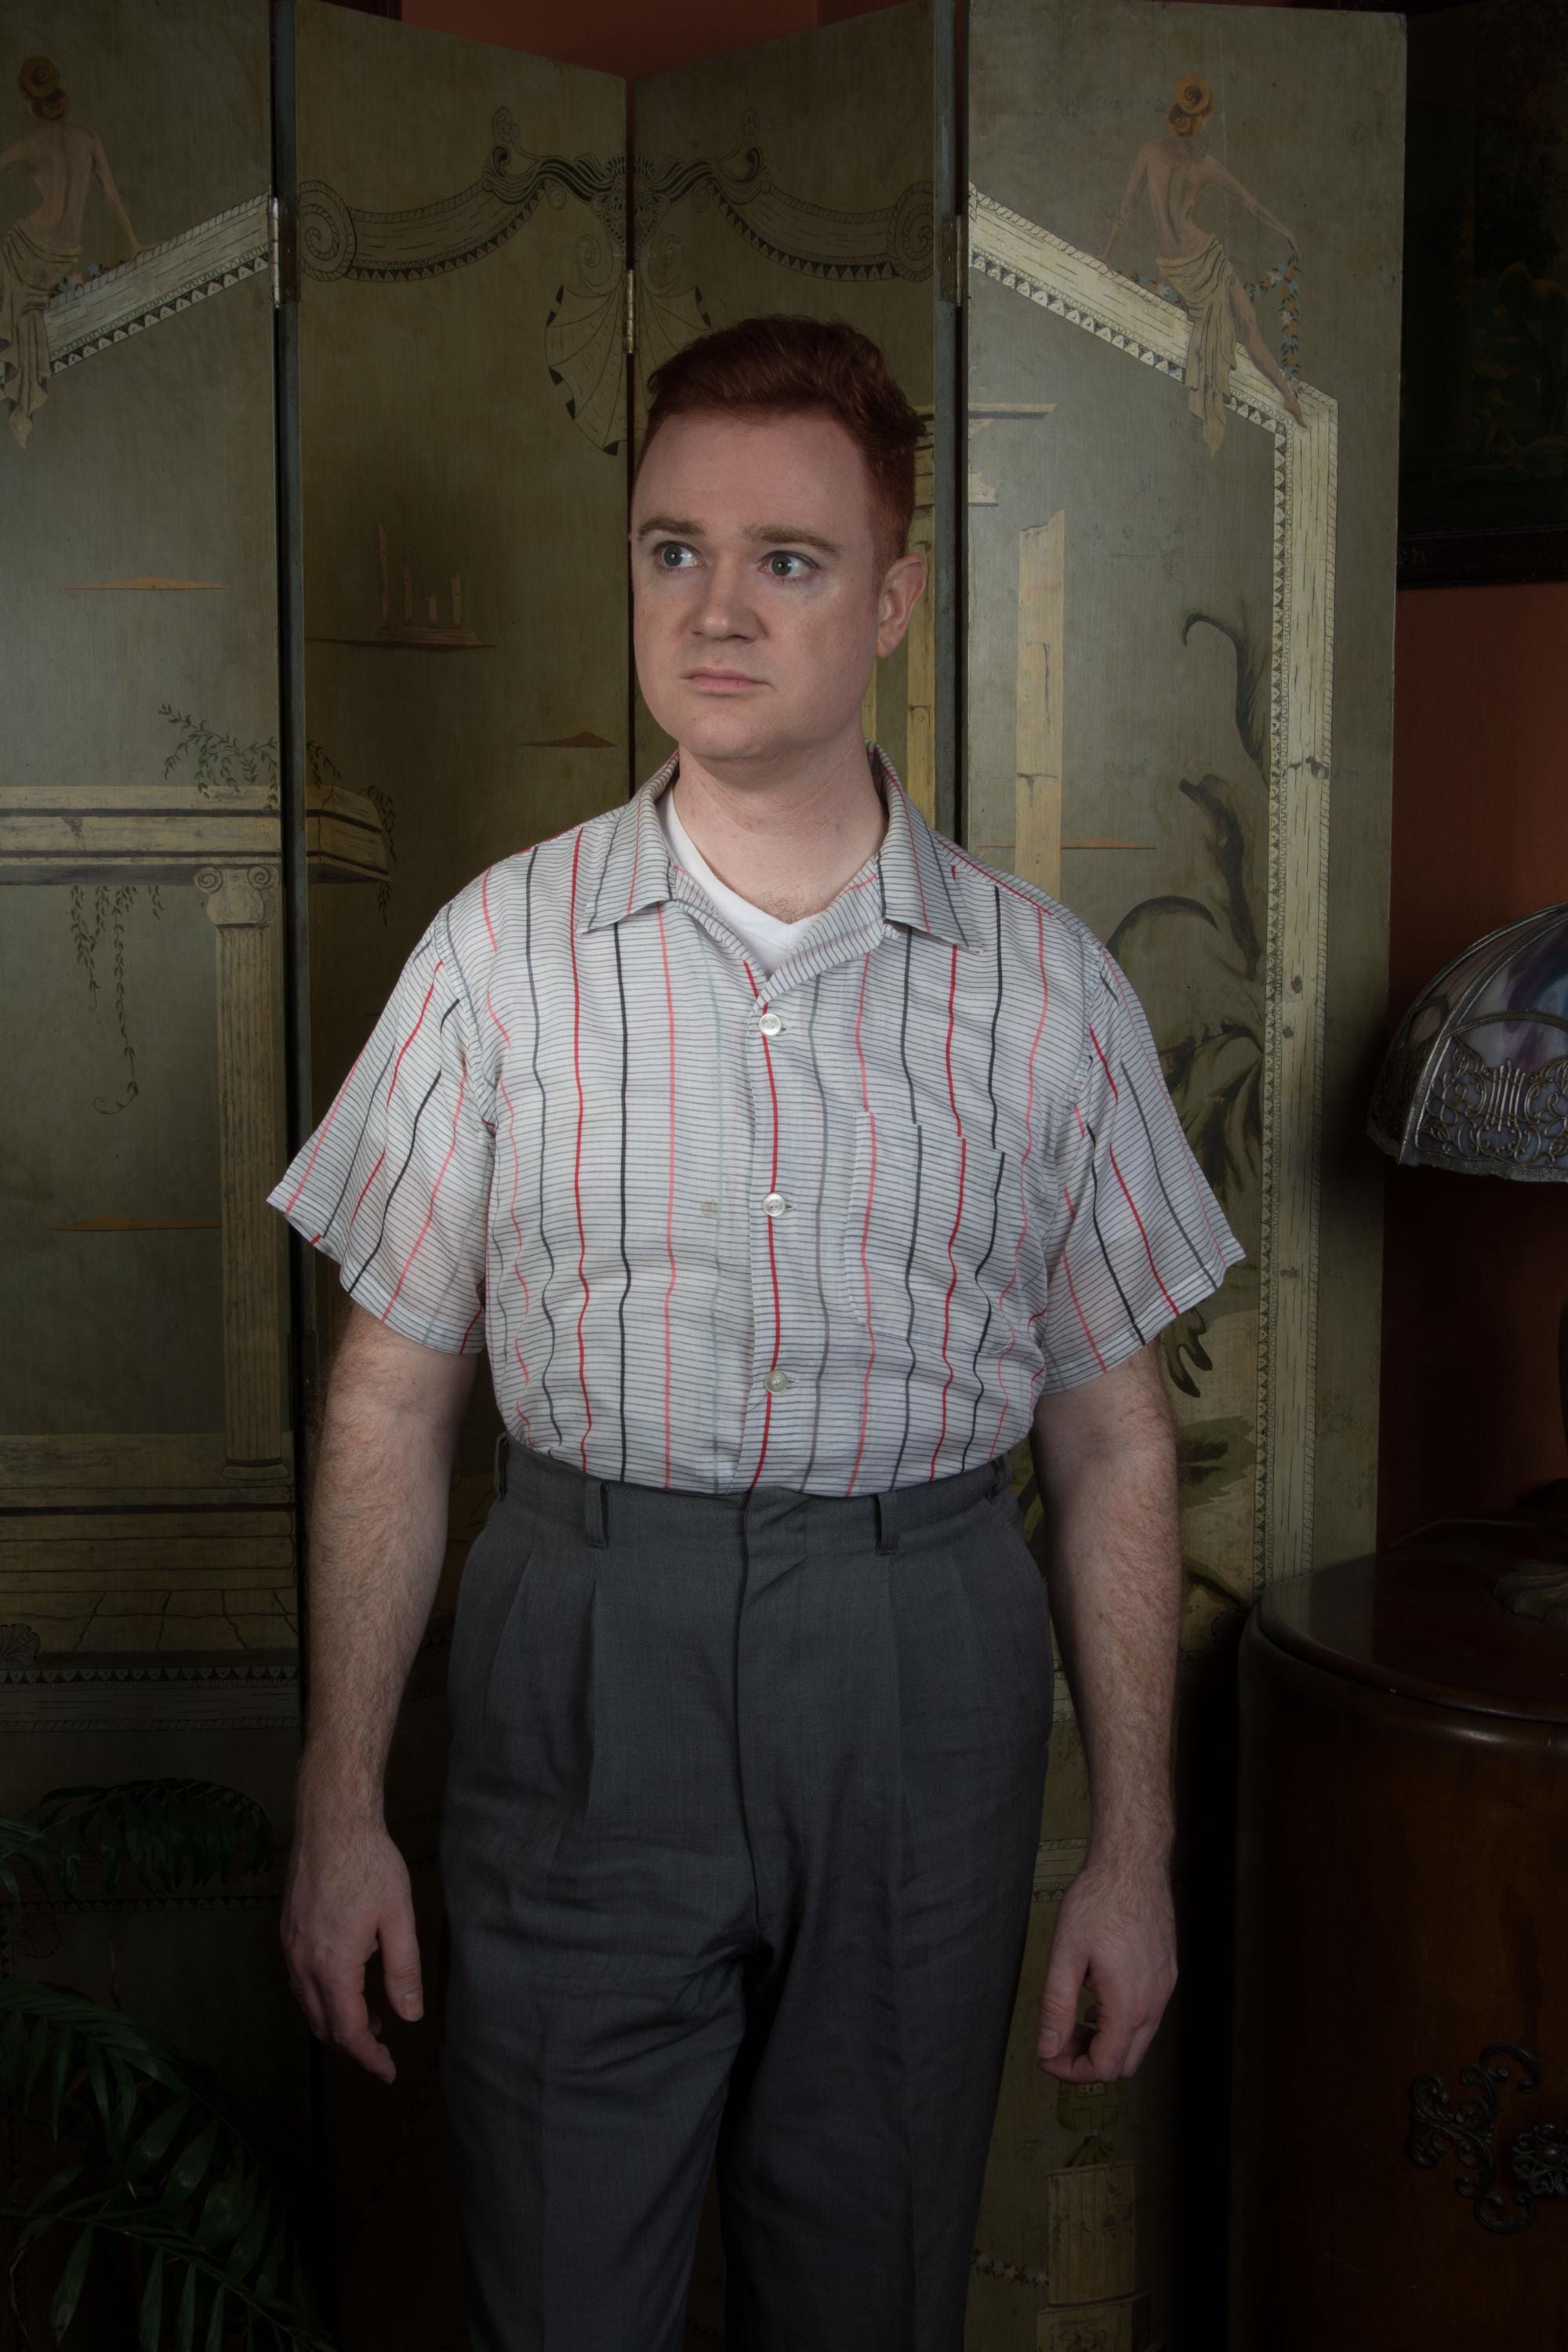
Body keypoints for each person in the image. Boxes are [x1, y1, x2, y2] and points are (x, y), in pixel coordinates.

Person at [270, 314, 1243, 2352]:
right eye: (673, 549)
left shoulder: (1042, 993)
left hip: (925, 1671)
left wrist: (1135, 1853)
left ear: (890, 597)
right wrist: (342, 1803)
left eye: (786, 558)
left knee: (868, 2296)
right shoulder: (495, 959)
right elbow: (387, 1400)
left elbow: (1113, 1442)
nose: (716, 608)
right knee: (559, 2298)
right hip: (581, 1659)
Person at [1101, 71, 1304, 452]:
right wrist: (1285, 231)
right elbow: (1250, 203)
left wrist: (1107, 253)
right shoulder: (1202, 163)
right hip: (1201, 261)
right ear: (1202, 119)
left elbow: (1125, 208)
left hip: (1179, 265)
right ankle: (1287, 395)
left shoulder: (1151, 152)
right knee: (1248, 324)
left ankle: (1287, 396)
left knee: (1243, 324)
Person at [0, 56, 139, 448]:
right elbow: (110, 195)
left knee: (14, 309)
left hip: (27, 248)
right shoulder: (87, 138)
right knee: (22, 312)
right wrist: (134, 242)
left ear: (31, 105)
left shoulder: (30, 144)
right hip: (61, 254)